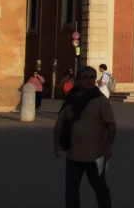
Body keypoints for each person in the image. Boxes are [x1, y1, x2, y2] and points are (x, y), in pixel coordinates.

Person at [53, 65, 116, 208]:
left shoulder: (101, 101)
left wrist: (108, 147)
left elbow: (111, 125)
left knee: (100, 188)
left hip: (95, 155)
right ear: (78, 81)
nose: (89, 80)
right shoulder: (71, 100)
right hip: (73, 156)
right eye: (85, 78)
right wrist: (56, 143)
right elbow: (60, 123)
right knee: (71, 190)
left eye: (92, 77)